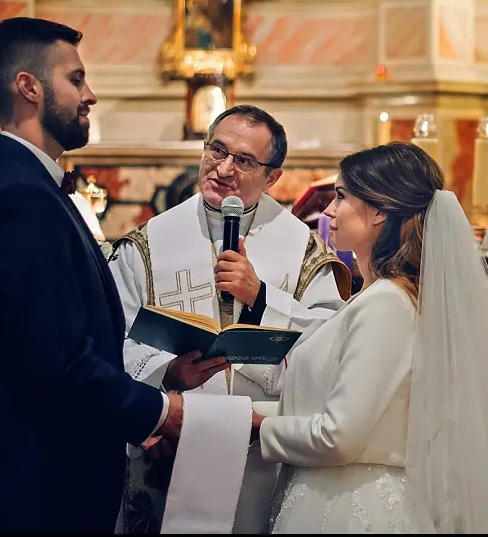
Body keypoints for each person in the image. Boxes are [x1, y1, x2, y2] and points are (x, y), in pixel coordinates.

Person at [0, 17, 184, 533]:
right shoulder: (21, 198)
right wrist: (164, 411)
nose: (90, 94)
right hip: (25, 490)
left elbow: (64, 335)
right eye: (75, 79)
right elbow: (58, 363)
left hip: (38, 477)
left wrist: (164, 380)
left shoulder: (31, 184)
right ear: (28, 87)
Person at [255, 142, 488, 533]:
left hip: (351, 508)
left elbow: (339, 437)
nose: (329, 211)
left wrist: (257, 427)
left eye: (340, 196)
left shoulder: (386, 303)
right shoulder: (378, 296)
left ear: (379, 211)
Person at [110, 103, 352, 534]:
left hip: (261, 452)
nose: (222, 168)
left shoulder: (304, 250)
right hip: (170, 441)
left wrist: (261, 297)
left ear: (273, 176)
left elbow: (333, 343)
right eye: (216, 150)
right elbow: (114, 337)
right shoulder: (146, 245)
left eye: (243, 160)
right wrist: (166, 380)